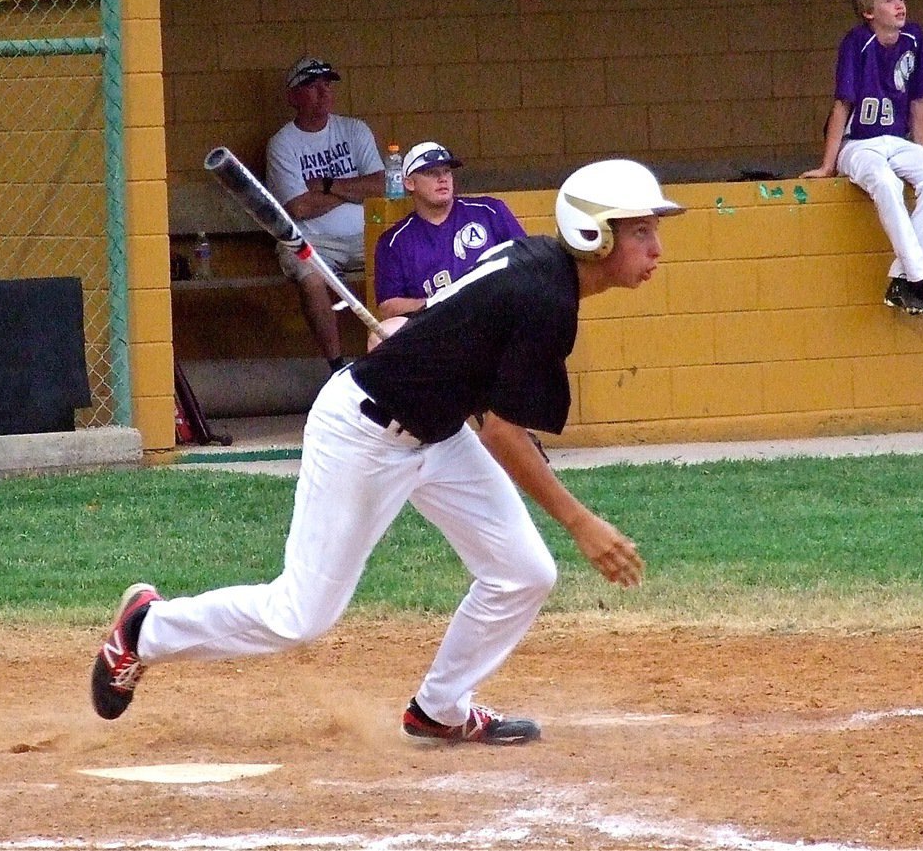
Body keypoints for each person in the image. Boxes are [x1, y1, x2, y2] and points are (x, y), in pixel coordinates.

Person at [91, 159, 684, 746]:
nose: (655, 247)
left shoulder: (543, 271)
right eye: (640, 232)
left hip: (438, 430)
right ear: (595, 233)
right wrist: (581, 523)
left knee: (522, 573)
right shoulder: (545, 297)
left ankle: (440, 709)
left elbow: (469, 335)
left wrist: (421, 342)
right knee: (301, 615)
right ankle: (146, 630)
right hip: (365, 431)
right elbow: (503, 434)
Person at [800, 0, 923, 325]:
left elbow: (919, 103)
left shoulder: (914, 38)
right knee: (886, 184)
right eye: (889, 0)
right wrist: (828, 165)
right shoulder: (856, 42)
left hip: (897, 139)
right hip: (859, 144)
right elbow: (842, 104)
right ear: (869, 13)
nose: (899, 4)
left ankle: (903, 279)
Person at [266, 56, 386, 371]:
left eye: (327, 85)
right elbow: (299, 207)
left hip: (366, 235)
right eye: (312, 86)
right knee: (310, 276)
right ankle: (337, 368)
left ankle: (399, 358)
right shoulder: (283, 143)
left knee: (405, 259)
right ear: (293, 97)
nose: (323, 92)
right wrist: (351, 190)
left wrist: (327, 185)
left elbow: (381, 186)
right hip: (314, 240)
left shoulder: (354, 129)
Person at [373, 141, 526, 320]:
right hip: (437, 325)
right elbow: (387, 307)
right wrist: (439, 302)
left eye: (447, 171)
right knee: (383, 334)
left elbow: (527, 261)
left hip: (497, 313)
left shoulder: (489, 211)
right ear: (409, 183)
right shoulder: (394, 241)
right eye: (431, 173)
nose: (443, 178)